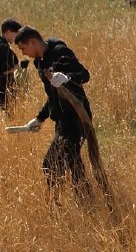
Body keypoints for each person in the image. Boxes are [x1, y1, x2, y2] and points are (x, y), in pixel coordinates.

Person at [13, 26, 92, 193]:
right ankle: (82, 205)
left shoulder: (59, 51)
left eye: (23, 48)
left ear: (33, 42)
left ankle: (61, 207)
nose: (23, 53)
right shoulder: (40, 62)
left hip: (77, 117)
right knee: (71, 163)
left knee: (51, 165)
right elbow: (52, 96)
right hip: (62, 120)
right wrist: (40, 118)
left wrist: (67, 77)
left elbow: (84, 74)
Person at [1, 19, 21, 111]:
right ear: (8, 32)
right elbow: (5, 70)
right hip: (3, 89)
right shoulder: (4, 47)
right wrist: (17, 67)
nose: (16, 38)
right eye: (16, 34)